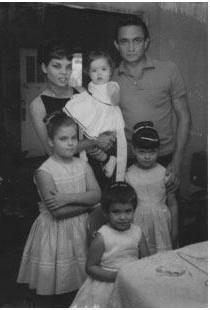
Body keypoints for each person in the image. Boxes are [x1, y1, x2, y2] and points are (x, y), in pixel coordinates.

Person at [17, 112, 101, 295]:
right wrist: (88, 205)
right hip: (55, 231)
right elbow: (58, 213)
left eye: (73, 138)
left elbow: (97, 195)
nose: (70, 143)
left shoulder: (83, 165)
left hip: (81, 227)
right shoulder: (45, 172)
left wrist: (66, 198)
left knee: (82, 273)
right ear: (50, 141)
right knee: (60, 273)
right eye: (63, 139)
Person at [112, 16, 191, 192]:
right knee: (127, 216)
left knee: (165, 212)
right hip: (127, 159)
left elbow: (184, 118)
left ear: (146, 42)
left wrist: (177, 161)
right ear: (117, 45)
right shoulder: (110, 78)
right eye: (124, 42)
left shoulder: (169, 70)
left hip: (163, 157)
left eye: (137, 41)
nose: (131, 48)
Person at [30, 40, 115, 160]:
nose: (64, 72)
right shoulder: (38, 104)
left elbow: (98, 128)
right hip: (62, 169)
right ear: (44, 67)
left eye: (69, 66)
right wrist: (93, 141)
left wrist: (102, 141)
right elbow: (52, 151)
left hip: (90, 163)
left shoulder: (81, 92)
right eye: (56, 66)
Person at [70, 181, 149, 308]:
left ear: (134, 210)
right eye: (116, 212)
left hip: (131, 281)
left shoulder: (138, 232)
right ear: (106, 213)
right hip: (107, 284)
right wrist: (115, 277)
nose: (123, 217)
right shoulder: (102, 237)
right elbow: (90, 267)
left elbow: (146, 261)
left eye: (128, 211)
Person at [63, 49, 126, 181]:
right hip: (96, 122)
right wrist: (76, 60)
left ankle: (109, 160)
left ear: (110, 71)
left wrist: (113, 92)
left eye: (103, 69)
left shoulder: (112, 85)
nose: (99, 73)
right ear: (89, 73)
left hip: (107, 123)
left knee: (101, 146)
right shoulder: (91, 87)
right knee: (89, 148)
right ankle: (108, 160)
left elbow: (115, 101)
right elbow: (77, 85)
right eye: (94, 71)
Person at [125, 121, 179, 255]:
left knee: (162, 259)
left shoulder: (165, 173)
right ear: (134, 150)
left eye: (152, 152)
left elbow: (172, 203)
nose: (147, 156)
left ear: (158, 150)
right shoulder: (128, 174)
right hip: (138, 223)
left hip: (161, 225)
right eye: (142, 152)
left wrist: (175, 229)